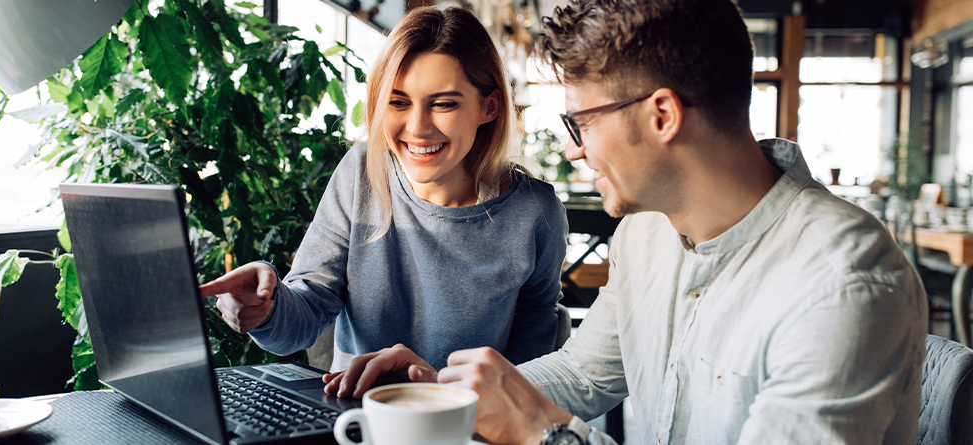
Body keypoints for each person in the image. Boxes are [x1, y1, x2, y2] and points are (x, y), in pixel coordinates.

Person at [321, 0, 928, 443]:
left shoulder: (843, 285)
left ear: (662, 114)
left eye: (582, 123)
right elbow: (584, 373)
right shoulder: (648, 231)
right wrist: (439, 396)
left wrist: (546, 436)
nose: (578, 150)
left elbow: (551, 418)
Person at [200, 6, 567, 375]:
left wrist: (456, 400)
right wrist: (266, 307)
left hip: (466, 423)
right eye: (398, 102)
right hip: (358, 417)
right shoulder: (361, 173)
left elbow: (529, 359)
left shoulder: (535, 211)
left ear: (489, 107)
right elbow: (303, 316)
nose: (418, 127)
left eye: (443, 104)